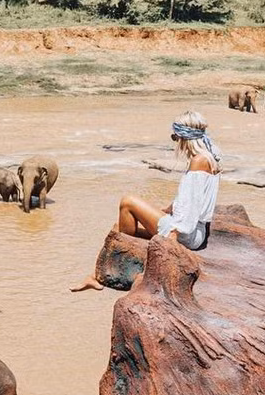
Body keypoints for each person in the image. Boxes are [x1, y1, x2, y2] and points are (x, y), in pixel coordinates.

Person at [71, 110, 221, 292]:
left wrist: (174, 234)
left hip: (187, 234)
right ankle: (97, 277)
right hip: (195, 232)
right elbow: (194, 201)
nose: (177, 143)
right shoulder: (209, 158)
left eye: (176, 137)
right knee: (118, 228)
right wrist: (166, 213)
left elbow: (190, 208)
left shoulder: (198, 161)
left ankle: (119, 267)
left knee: (127, 202)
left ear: (184, 137)